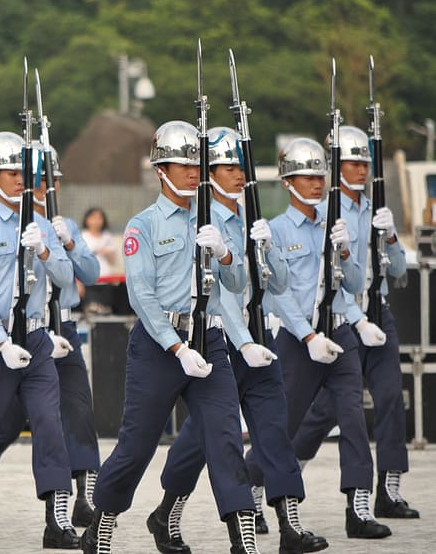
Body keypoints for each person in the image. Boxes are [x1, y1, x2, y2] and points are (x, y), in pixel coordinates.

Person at [146, 127, 328, 554]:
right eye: (229, 167)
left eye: (241, 166)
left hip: (260, 339)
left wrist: (270, 247)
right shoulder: (202, 222)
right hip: (223, 342)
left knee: (273, 433)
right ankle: (167, 511)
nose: (239, 174)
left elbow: (278, 285)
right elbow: (219, 296)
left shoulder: (252, 216)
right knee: (202, 441)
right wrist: (243, 341)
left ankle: (290, 527)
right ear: (207, 173)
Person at [81, 120, 259, 554]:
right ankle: (101, 522)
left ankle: (244, 540)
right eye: (182, 164)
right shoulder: (142, 226)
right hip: (159, 347)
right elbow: (141, 296)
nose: (193, 171)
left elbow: (238, 284)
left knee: (225, 440)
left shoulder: (217, 219)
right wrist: (176, 348)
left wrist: (226, 251)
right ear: (161, 170)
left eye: (196, 163)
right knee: (136, 447)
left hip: (209, 342)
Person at [252, 136, 392, 539]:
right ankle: (255, 484)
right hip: (298, 339)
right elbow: (279, 297)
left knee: (352, 417)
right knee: (284, 423)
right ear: (287, 182)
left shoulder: (334, 226)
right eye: (306, 176)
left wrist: (345, 253)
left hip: (340, 333)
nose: (316, 183)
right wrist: (308, 335)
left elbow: (348, 285)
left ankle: (358, 507)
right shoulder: (275, 231)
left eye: (319, 175)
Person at [0, 143, 102, 529]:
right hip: (14, 332)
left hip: (61, 327)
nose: (42, 186)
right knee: (1, 422)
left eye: (48, 180)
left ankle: (82, 500)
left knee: (73, 412)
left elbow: (88, 275)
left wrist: (65, 243)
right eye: (38, 180)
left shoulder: (61, 226)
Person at [288, 125, 417, 519]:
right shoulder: (324, 211)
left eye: (365, 162)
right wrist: (357, 321)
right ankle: (281, 476)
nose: (361, 170)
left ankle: (388, 491)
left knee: (392, 398)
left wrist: (392, 236)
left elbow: (399, 273)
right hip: (342, 315)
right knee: (326, 409)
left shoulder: (374, 206)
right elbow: (328, 276)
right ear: (335, 164)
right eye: (352, 162)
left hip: (377, 309)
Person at [80, 207, 118, 277]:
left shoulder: (107, 236)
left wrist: (107, 252)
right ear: (87, 219)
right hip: (89, 278)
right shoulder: (82, 236)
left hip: (106, 277)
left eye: (99, 218)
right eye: (93, 218)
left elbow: (113, 261)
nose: (96, 221)